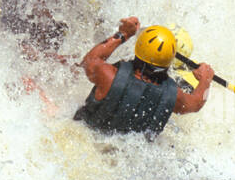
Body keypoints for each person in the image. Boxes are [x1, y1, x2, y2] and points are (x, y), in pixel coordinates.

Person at [74, 18, 213, 137]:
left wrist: (123, 34)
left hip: (84, 137)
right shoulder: (175, 97)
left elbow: (89, 61)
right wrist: (206, 79)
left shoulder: (108, 75)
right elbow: (196, 103)